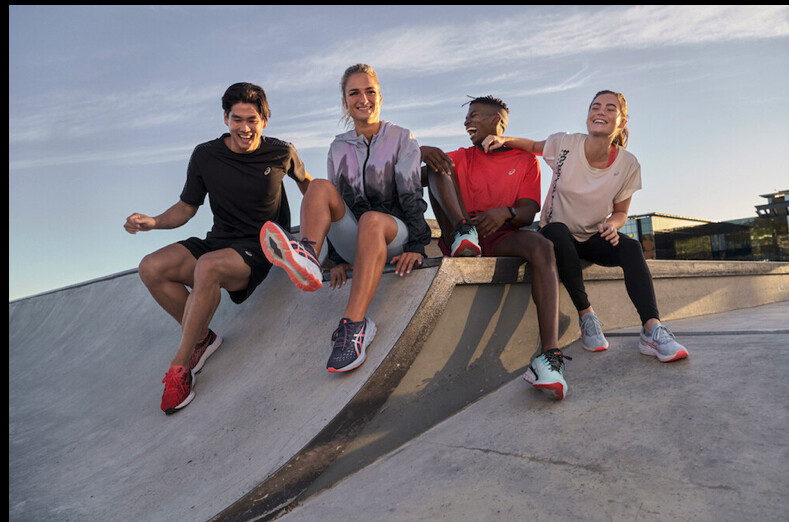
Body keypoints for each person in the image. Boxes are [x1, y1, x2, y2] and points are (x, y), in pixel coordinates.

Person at [124, 82, 312, 414]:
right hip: (218, 241)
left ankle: (180, 368)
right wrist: (153, 221)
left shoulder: (282, 152)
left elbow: (309, 186)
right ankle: (202, 340)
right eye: (237, 119)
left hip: (261, 246)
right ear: (226, 119)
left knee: (207, 267)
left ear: (264, 121)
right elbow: (186, 208)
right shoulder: (205, 156)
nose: (244, 128)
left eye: (252, 120)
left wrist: (314, 236)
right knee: (151, 267)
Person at [482, 89, 689, 363]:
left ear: (622, 122)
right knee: (557, 230)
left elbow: (620, 212)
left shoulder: (628, 164)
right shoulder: (566, 143)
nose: (601, 112)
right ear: (589, 114)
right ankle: (587, 316)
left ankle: (652, 328)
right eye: (595, 106)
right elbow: (533, 146)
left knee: (631, 247)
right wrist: (503, 139)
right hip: (556, 236)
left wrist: (612, 226)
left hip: (592, 237)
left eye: (610, 108)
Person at [260, 63, 431, 373]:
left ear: (380, 97)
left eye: (370, 92)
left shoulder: (401, 137)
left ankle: (354, 327)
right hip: (357, 242)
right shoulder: (338, 147)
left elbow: (411, 194)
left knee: (372, 220)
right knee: (319, 187)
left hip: (393, 235)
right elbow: (335, 206)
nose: (363, 99)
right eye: (354, 93)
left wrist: (418, 246)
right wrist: (337, 260)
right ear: (344, 101)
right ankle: (309, 256)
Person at [422, 95, 569, 400]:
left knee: (542, 246)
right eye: (467, 116)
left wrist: (505, 212)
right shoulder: (461, 156)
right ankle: (464, 233)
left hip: (501, 233)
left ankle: (549, 356)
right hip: (459, 230)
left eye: (474, 115)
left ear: (497, 121)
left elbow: (527, 212)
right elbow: (410, 176)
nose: (467, 121)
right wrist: (420, 152)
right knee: (438, 164)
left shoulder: (525, 160)